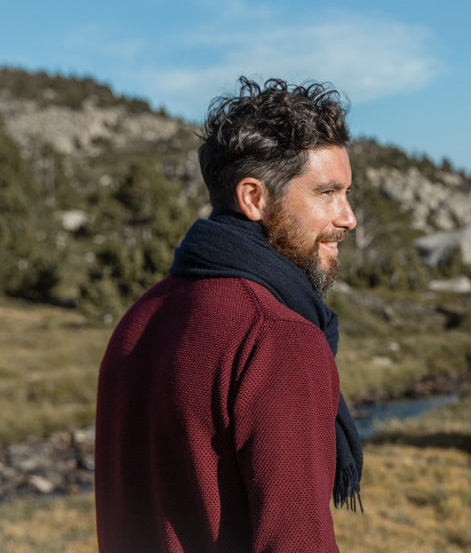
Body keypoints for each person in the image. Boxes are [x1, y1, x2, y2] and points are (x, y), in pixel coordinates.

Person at [94, 77, 363, 552]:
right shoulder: (279, 338)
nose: (348, 217)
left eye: (347, 193)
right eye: (327, 193)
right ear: (254, 197)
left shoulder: (139, 318)